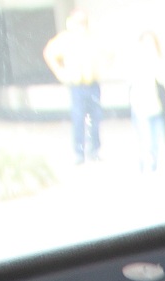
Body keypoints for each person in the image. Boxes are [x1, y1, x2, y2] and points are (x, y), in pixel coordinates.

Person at [43, 10, 104, 165]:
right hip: (77, 85)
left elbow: (108, 52)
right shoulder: (65, 39)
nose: (81, 25)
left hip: (93, 83)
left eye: (83, 21)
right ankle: (79, 152)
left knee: (95, 118)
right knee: (78, 119)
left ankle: (94, 150)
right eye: (78, 22)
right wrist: (59, 72)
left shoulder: (93, 37)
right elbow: (49, 53)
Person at [126, 32, 165, 174]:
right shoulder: (136, 62)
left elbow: (163, 79)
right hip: (141, 107)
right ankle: (145, 166)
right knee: (146, 140)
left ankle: (154, 165)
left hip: (157, 107)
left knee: (157, 140)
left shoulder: (158, 61)